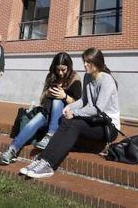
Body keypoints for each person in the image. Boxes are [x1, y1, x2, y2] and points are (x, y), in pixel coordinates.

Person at [20, 47, 120, 179]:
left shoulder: (106, 80)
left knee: (74, 124)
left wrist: (75, 113)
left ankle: (49, 164)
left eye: (88, 62)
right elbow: (84, 100)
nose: (85, 64)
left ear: (97, 62)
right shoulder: (87, 77)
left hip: (108, 126)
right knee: (65, 119)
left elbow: (97, 109)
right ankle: (41, 160)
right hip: (93, 121)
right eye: (84, 61)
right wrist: (69, 108)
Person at [0, 52, 82, 165]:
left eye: (63, 69)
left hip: (63, 117)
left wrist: (64, 96)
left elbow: (79, 104)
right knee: (32, 123)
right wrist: (48, 93)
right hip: (46, 113)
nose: (60, 73)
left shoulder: (75, 78)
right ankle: (12, 150)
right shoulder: (51, 76)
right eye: (58, 69)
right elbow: (41, 99)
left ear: (69, 67)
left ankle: (50, 135)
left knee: (57, 100)